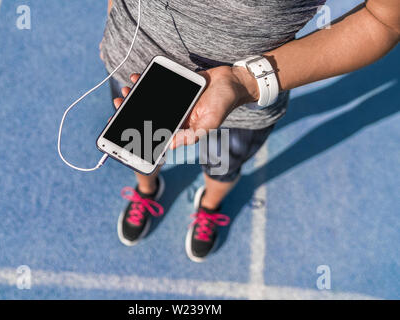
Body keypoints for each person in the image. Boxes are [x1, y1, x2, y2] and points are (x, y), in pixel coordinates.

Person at [99, 0, 399, 262]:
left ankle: (209, 205)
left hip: (242, 104)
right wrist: (116, 18)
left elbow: (382, 19)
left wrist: (246, 83)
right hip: (137, 71)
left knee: (222, 165)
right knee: (138, 150)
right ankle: (148, 190)